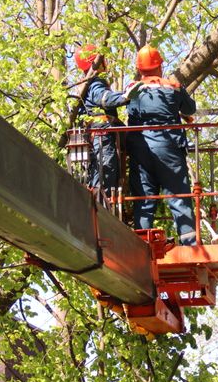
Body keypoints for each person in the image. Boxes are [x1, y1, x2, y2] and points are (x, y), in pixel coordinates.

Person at [125, 45, 197, 245]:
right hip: (168, 148)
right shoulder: (172, 87)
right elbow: (191, 107)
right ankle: (189, 245)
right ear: (160, 66)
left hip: (140, 150)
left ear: (140, 69)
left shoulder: (132, 89)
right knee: (178, 196)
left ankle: (142, 246)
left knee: (144, 199)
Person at [74, 44, 141, 191]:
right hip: (101, 136)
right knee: (105, 175)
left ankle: (102, 204)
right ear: (98, 62)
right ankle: (102, 207)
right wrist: (124, 96)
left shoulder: (85, 84)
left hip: (97, 136)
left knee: (102, 174)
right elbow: (104, 98)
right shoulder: (96, 82)